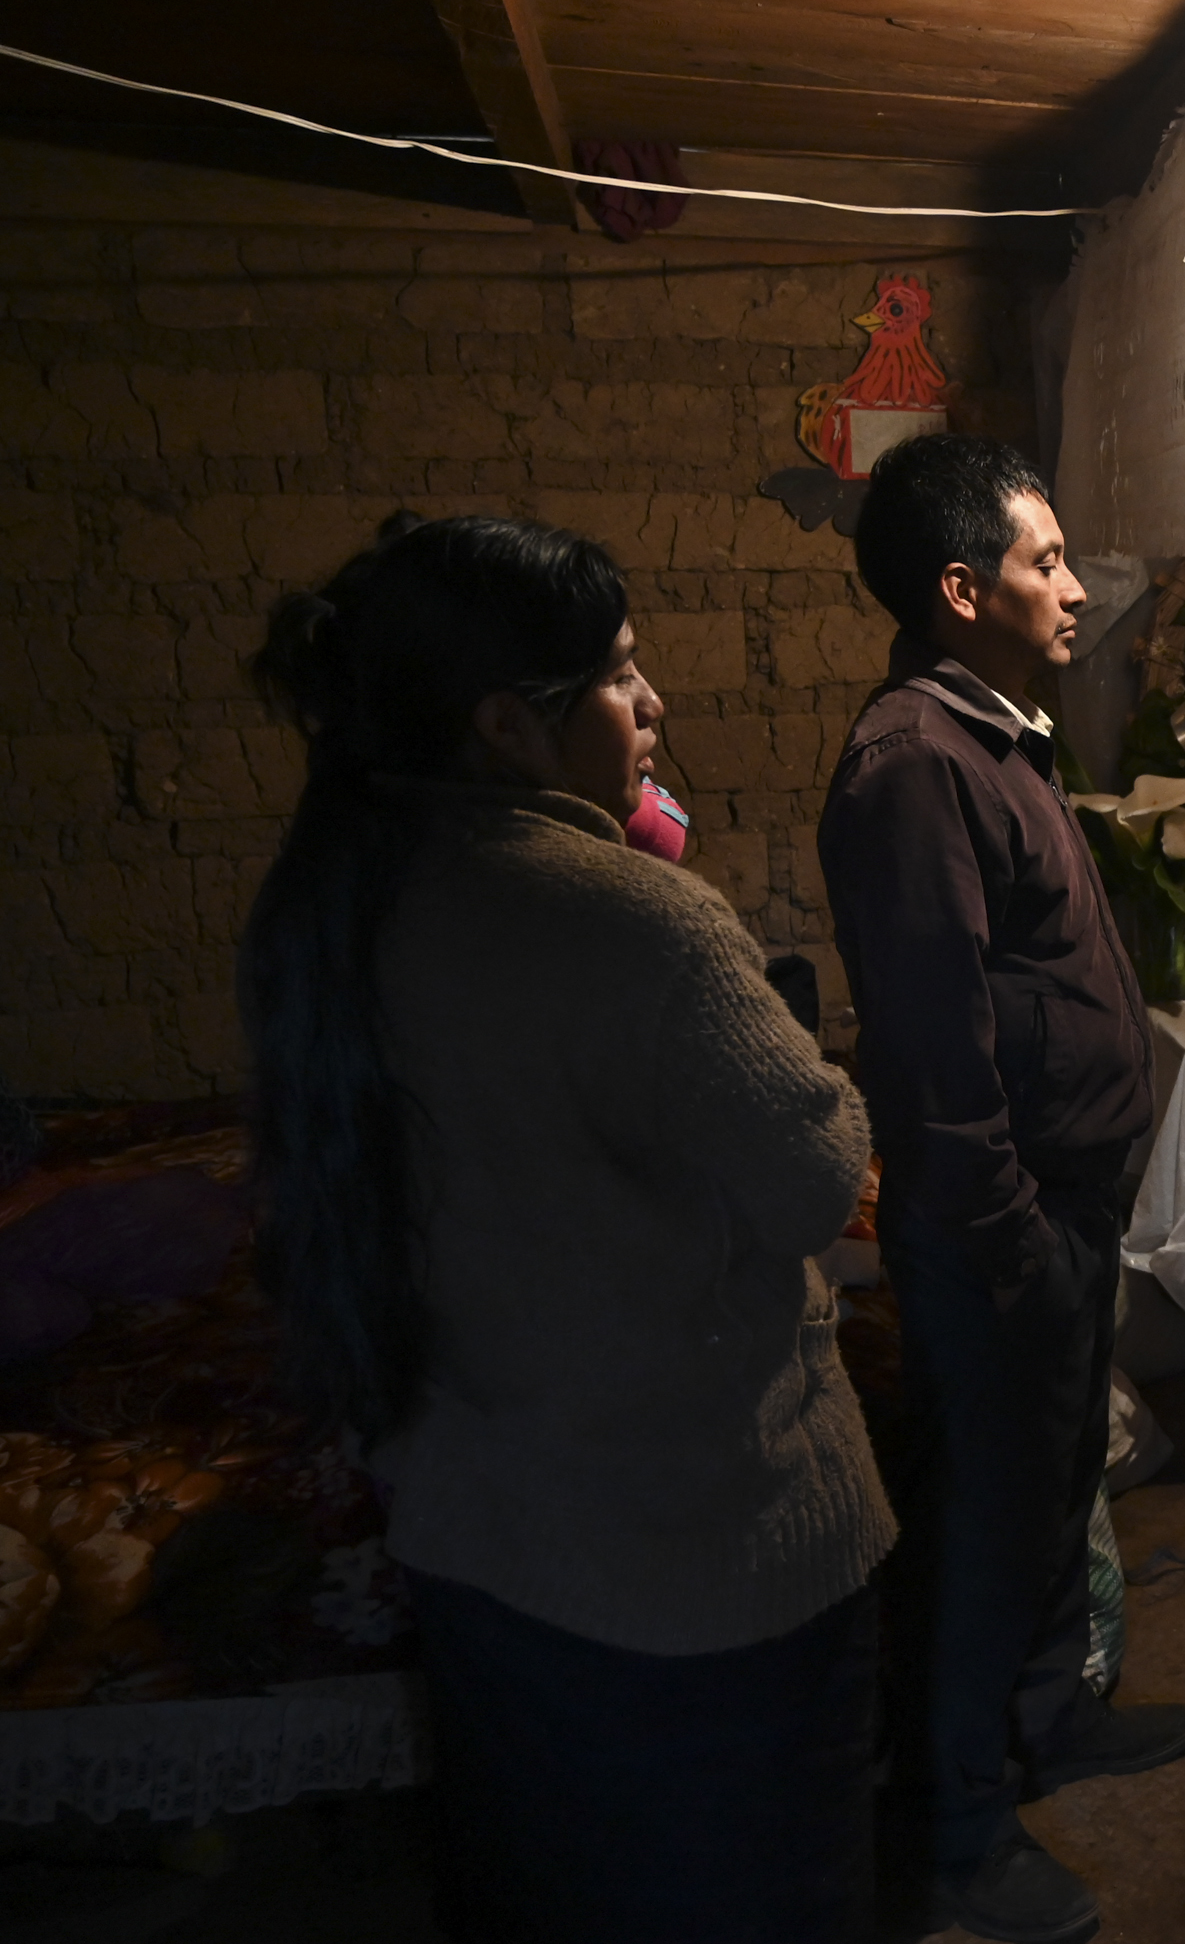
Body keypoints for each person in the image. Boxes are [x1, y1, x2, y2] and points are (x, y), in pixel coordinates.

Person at [236, 515, 894, 1943]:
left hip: (481, 1544)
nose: (651, 704)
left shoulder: (339, 899)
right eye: (617, 673)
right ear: (506, 725)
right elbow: (812, 1175)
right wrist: (713, 940)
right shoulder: (633, 922)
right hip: (700, 1564)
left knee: (558, 1885)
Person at [818, 434, 1185, 1944]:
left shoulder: (996, 734)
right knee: (982, 1524)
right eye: (1046, 560)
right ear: (964, 590)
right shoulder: (916, 765)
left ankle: (1049, 1719)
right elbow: (933, 1043)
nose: (1076, 585)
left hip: (1059, 1204)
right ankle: (958, 1830)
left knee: (1048, 1487)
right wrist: (1006, 1238)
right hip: (1003, 1222)